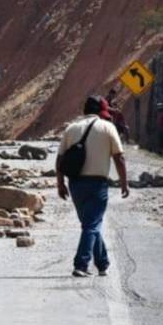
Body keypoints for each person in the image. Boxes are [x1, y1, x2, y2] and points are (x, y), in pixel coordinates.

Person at [57, 95, 130, 277]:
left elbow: (60, 159)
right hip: (97, 184)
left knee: (90, 224)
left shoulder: (71, 128)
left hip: (75, 184)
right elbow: (119, 157)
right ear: (101, 112)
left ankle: (102, 263)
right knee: (92, 224)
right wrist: (124, 182)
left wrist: (60, 183)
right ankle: (81, 264)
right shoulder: (107, 127)